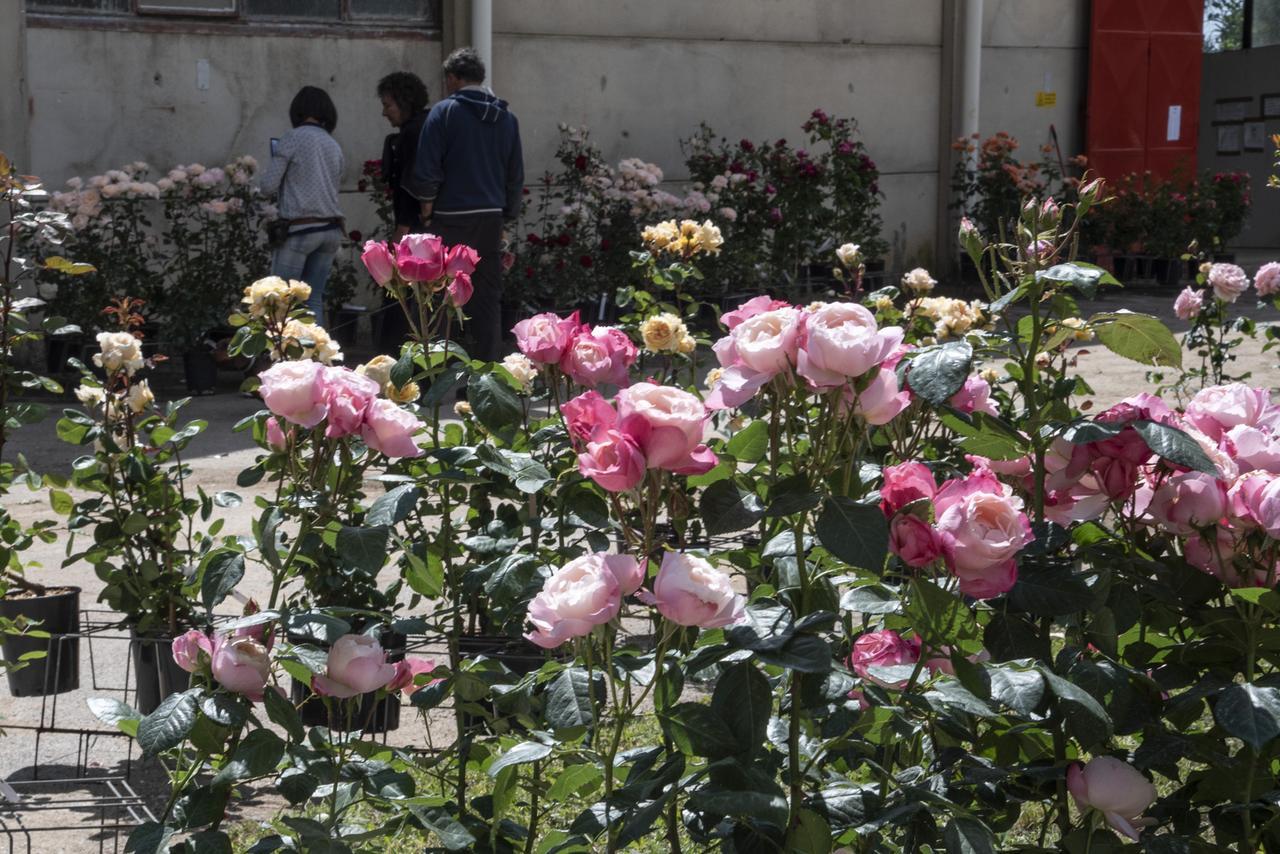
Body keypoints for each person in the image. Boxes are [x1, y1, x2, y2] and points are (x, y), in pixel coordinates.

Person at [407, 47, 523, 362]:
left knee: (442, 293)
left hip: (450, 215)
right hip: (490, 218)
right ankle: (485, 369)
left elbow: (427, 166)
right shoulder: (507, 118)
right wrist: (507, 214)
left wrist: (427, 208)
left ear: (453, 78)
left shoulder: (444, 112)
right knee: (486, 298)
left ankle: (439, 369)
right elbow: (515, 174)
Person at [259, 85, 345, 326]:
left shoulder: (292, 138)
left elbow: (268, 185)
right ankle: (315, 357)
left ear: (297, 111)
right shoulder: (333, 144)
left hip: (300, 230)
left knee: (281, 300)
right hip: (331, 231)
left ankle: (283, 357)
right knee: (313, 299)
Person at [374, 71, 430, 352]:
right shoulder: (427, 127)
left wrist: (401, 233)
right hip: (424, 227)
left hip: (414, 230)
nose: (384, 113)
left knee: (402, 298)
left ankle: (398, 357)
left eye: (388, 105)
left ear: (405, 103)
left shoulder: (412, 134)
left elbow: (411, 187)